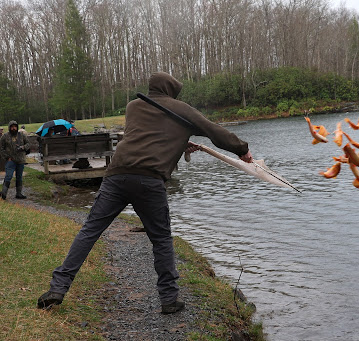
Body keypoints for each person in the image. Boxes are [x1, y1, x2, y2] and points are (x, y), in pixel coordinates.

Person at [37, 72, 253, 314]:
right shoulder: (183, 110)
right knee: (161, 239)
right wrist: (242, 150)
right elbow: (215, 132)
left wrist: (180, 142)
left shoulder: (133, 107)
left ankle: (58, 288)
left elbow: (147, 136)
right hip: (149, 181)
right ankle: (169, 299)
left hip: (116, 175)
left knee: (89, 231)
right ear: (172, 91)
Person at [0, 121, 30, 200]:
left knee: (19, 177)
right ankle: (4, 193)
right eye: (12, 126)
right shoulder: (5, 136)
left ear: (17, 127)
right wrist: (6, 157)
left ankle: (19, 193)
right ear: (9, 127)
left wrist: (23, 147)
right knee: (8, 176)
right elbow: (1, 148)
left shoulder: (22, 135)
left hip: (21, 159)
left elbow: (28, 144)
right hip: (10, 160)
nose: (14, 128)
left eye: (15, 126)